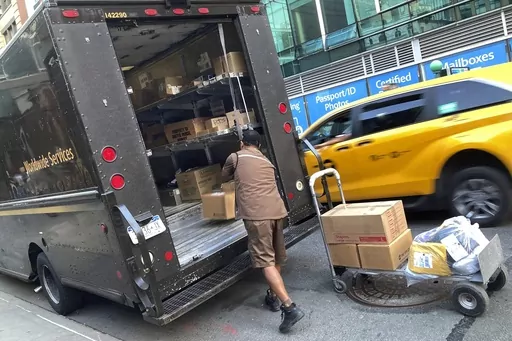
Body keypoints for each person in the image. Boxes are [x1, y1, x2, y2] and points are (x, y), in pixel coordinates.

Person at [222, 129, 305, 334]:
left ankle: (289, 307)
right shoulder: (267, 161)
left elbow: (224, 178)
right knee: (276, 257)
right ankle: (273, 296)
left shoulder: (236, 157)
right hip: (278, 212)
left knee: (265, 261)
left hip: (257, 216)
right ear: (258, 145)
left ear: (242, 143)